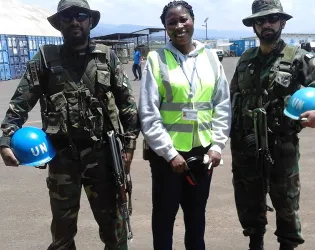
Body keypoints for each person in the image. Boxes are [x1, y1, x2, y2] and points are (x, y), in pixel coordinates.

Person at [0, 0, 140, 249]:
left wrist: (128, 147)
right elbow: (20, 103)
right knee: (62, 233)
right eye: (67, 17)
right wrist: (5, 139)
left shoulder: (107, 57)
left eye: (80, 15)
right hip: (61, 156)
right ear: (60, 24)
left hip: (103, 156)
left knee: (114, 230)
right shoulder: (45, 58)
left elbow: (127, 106)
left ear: (90, 21)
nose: (74, 21)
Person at [229, 0, 315, 250]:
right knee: (249, 200)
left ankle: (287, 245)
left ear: (282, 22)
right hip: (246, 147)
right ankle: (255, 243)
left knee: (286, 203)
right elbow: (232, 99)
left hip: (281, 146)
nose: (266, 25)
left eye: (272, 19)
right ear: (254, 27)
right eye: (261, 21)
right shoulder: (245, 59)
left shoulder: (296, 58)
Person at [138, 1, 231, 249]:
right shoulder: (156, 60)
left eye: (183, 20)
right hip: (168, 158)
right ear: (166, 28)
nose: (179, 26)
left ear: (192, 20)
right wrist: (170, 153)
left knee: (196, 218)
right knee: (164, 219)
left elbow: (222, 105)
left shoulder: (210, 57)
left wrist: (217, 146)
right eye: (172, 22)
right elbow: (148, 112)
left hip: (202, 154)